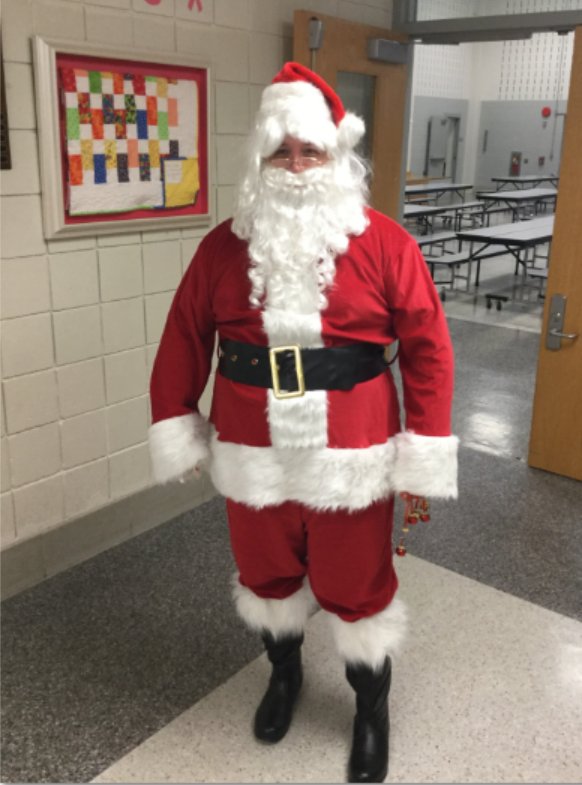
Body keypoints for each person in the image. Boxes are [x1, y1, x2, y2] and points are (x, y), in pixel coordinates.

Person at [148, 62, 458, 783]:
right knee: (266, 577)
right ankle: (283, 674)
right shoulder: (222, 247)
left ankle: (370, 709)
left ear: (337, 156)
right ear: (260, 160)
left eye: (309, 150)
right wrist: (177, 419)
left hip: (351, 452)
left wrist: (424, 442)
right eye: (280, 151)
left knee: (358, 586)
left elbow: (428, 346)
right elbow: (185, 336)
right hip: (251, 447)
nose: (294, 164)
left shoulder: (385, 244)